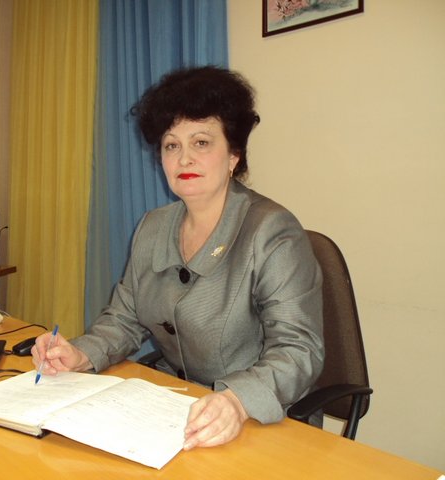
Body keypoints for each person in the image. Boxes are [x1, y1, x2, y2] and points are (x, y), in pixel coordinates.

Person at [31, 66, 324, 450]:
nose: (184, 158)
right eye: (172, 145)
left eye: (201, 142)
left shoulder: (272, 231)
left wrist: (237, 401)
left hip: (258, 421)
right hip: (173, 410)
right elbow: (125, 318)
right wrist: (80, 354)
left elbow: (299, 351)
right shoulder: (153, 226)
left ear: (233, 154)